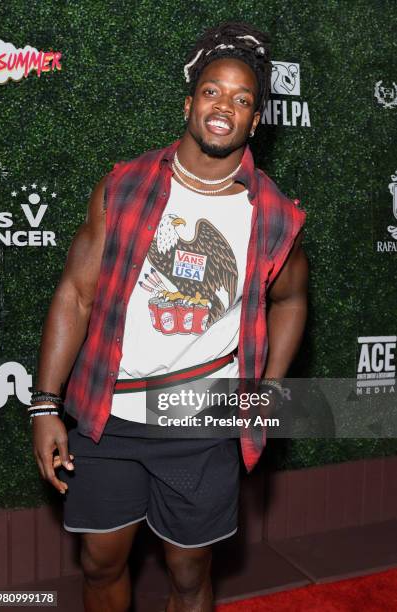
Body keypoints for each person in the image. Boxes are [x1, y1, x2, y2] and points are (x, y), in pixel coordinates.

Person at [31, 20, 308, 612]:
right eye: (212, 91)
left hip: (202, 422)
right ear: (189, 102)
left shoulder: (276, 216)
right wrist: (45, 403)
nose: (223, 107)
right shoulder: (125, 186)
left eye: (242, 99)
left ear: (254, 121)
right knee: (100, 562)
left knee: (188, 569)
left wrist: (269, 388)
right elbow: (75, 295)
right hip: (111, 416)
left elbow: (289, 300)